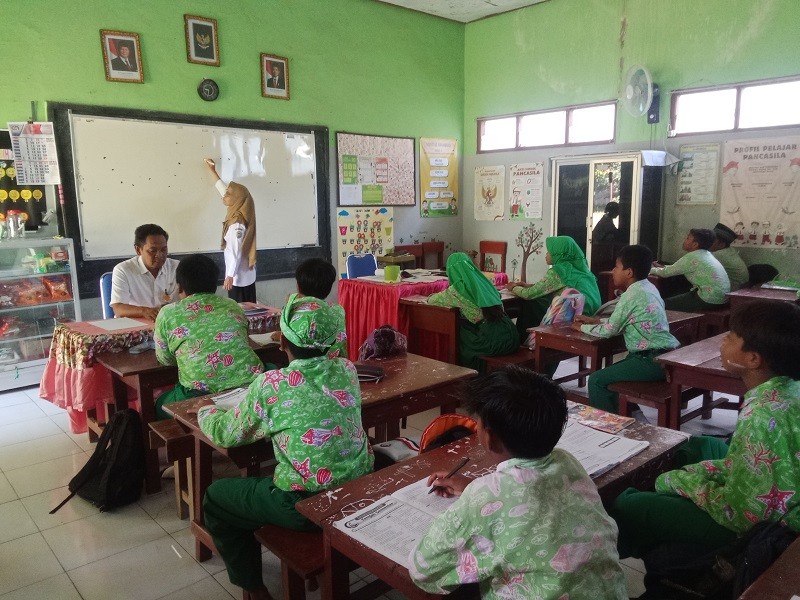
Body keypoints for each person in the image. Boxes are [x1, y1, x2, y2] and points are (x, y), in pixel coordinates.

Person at [198, 295, 374, 600]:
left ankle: (254, 588)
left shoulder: (272, 384)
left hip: (303, 506)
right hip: (358, 487)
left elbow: (226, 434)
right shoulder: (347, 369)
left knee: (216, 498)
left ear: (282, 342)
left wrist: (206, 410)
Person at [409, 366, 627, 599]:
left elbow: (423, 570)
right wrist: (474, 486)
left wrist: (479, 493)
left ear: (489, 438)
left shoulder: (485, 496)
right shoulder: (566, 461)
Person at [610, 300, 800, 561]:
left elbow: (744, 513)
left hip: (764, 530)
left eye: (731, 337)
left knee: (632, 505)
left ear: (753, 359)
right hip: (770, 493)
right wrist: (697, 475)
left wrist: (685, 483)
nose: (723, 341)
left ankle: (624, 548)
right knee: (698, 446)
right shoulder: (789, 388)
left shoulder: (762, 415)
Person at [153, 254, 264, 419]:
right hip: (250, 386)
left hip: (199, 394)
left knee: (161, 404)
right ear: (214, 285)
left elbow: (165, 359)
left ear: (180, 287)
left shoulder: (168, 313)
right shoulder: (232, 305)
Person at [573, 245, 679, 415]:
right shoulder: (648, 287)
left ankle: (608, 425)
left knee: (596, 380)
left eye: (616, 267)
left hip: (651, 360)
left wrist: (582, 327)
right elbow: (626, 319)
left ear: (629, 272)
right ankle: (631, 415)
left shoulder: (631, 295)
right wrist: (596, 320)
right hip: (664, 355)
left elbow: (609, 330)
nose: (613, 271)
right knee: (612, 376)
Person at [427, 252, 519, 371]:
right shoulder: (484, 282)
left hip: (494, 340)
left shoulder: (456, 290)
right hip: (512, 335)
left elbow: (432, 300)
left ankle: (472, 377)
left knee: (461, 339)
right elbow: (497, 297)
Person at [506, 236, 601, 337]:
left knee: (531, 303)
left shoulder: (559, 270)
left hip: (574, 317)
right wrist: (528, 285)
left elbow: (528, 294)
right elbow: (553, 286)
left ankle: (521, 338)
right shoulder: (581, 269)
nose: (546, 254)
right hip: (590, 314)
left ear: (558, 254)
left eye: (549, 252)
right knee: (541, 300)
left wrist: (512, 287)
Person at [204, 158, 257, 302]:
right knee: (250, 308)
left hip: (238, 278)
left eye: (228, 195)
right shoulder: (240, 210)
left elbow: (235, 250)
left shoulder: (236, 223)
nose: (224, 196)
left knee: (240, 310)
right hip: (244, 275)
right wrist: (213, 172)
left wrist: (230, 275)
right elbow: (224, 191)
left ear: (236, 200)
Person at [110, 224, 179, 320]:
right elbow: (118, 309)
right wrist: (144, 311)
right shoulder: (123, 270)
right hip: (137, 324)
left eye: (164, 249)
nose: (159, 255)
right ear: (138, 250)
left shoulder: (177, 267)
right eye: (152, 251)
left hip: (169, 322)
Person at [650, 228, 730, 311]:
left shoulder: (692, 257)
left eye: (688, 238)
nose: (684, 240)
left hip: (708, 299)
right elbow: (675, 268)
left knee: (662, 304)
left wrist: (649, 270)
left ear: (695, 244)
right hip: (721, 299)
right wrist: (661, 267)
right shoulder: (706, 254)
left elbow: (665, 273)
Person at [711, 222, 749, 291]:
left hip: (733, 290)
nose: (708, 242)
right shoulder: (730, 250)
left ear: (721, 244)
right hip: (740, 287)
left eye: (712, 240)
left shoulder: (718, 254)